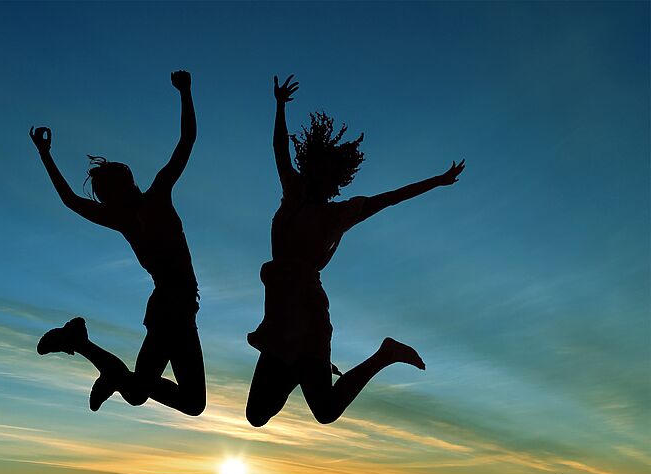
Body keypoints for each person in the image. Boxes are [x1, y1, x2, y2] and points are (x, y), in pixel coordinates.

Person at [245, 74, 465, 427]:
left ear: (336, 178)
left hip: (308, 312)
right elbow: (278, 150)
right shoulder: (293, 193)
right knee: (257, 414)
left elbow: (392, 198)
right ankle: (301, 366)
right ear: (310, 163)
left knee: (326, 410)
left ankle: (385, 354)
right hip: (278, 313)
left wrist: (437, 181)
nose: (321, 175)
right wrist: (279, 106)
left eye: (330, 172)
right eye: (317, 166)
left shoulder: (340, 214)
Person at [30, 70, 205, 417]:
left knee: (157, 395)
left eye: (105, 195)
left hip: (176, 305)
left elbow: (186, 143)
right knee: (167, 396)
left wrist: (185, 93)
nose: (104, 202)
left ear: (124, 186)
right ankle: (84, 346)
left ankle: (84, 347)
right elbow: (186, 142)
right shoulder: (134, 211)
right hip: (173, 305)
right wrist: (44, 155)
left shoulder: (143, 206)